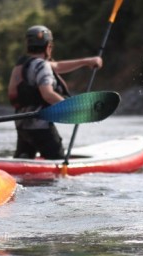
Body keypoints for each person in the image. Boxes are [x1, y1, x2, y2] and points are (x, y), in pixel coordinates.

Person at [7, 25, 102, 159]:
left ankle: (21, 167)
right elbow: (48, 94)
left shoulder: (23, 64)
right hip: (40, 125)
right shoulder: (41, 65)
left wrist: (87, 62)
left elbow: (57, 66)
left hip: (22, 124)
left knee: (24, 159)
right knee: (57, 159)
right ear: (48, 46)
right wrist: (73, 107)